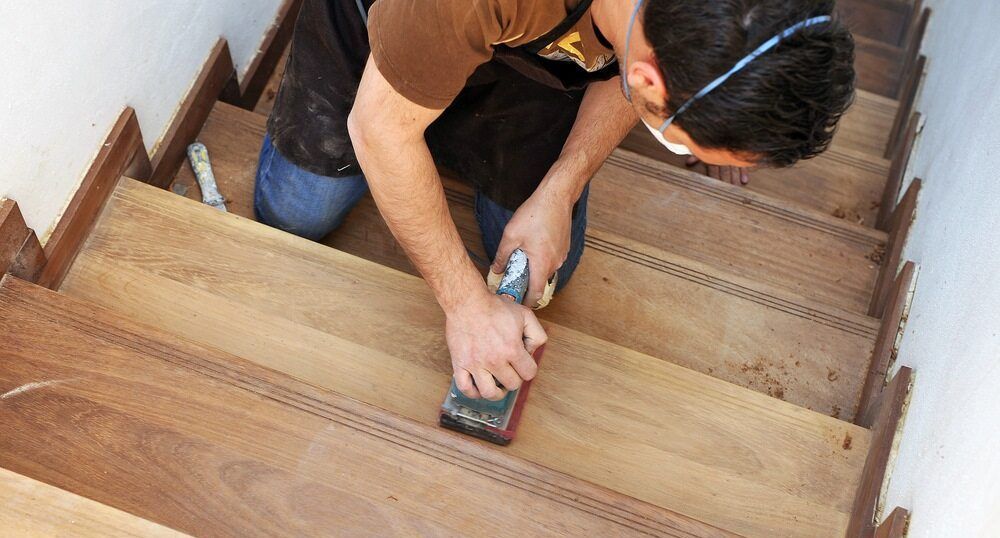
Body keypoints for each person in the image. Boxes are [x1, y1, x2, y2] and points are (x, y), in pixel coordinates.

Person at [256, 0, 855, 401]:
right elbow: (379, 129)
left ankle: (432, 113)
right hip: (394, 26)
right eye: (686, 146)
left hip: (540, 61)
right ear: (648, 80)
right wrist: (465, 304)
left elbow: (633, 63)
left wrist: (558, 190)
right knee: (297, 212)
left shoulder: (680, 26)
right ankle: (417, 99)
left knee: (550, 273)